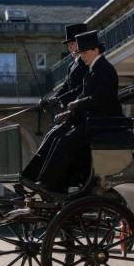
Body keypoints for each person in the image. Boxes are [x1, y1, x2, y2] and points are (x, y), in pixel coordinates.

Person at [29, 30, 124, 191]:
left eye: (85, 52)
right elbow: (83, 94)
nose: (83, 56)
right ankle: (40, 178)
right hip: (93, 121)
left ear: (96, 50)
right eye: (81, 53)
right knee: (57, 135)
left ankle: (51, 183)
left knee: (66, 140)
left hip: (102, 124)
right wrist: (70, 110)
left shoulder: (105, 69)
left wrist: (77, 104)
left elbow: (98, 99)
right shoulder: (94, 69)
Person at [22, 23, 88, 181]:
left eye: (73, 44)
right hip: (73, 114)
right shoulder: (72, 65)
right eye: (70, 45)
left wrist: (58, 99)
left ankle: (46, 179)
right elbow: (66, 87)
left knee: (58, 139)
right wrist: (51, 100)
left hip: (81, 115)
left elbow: (80, 89)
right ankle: (30, 176)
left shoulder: (86, 65)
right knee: (50, 135)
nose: (70, 48)